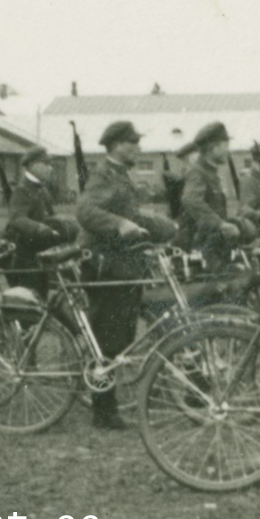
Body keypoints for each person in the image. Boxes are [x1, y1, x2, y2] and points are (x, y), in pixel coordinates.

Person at [75, 121, 178, 429]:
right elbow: (85, 211)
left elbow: (131, 214)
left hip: (122, 267)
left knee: (119, 339)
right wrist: (119, 224)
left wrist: (163, 226)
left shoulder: (119, 175)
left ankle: (106, 406)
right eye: (133, 143)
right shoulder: (104, 175)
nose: (138, 148)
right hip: (105, 268)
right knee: (105, 342)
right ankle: (103, 411)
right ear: (117, 144)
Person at [0, 146, 70, 293]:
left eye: (50, 164)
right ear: (32, 165)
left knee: (43, 296)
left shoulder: (42, 189)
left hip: (39, 253)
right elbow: (16, 218)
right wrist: (40, 228)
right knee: (29, 299)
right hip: (22, 257)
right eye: (46, 164)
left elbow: (50, 216)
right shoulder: (22, 190)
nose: (50, 168)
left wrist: (62, 222)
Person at [177, 122, 244, 266]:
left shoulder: (211, 173)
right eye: (225, 146)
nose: (227, 150)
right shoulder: (198, 172)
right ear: (213, 148)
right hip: (201, 247)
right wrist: (221, 224)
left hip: (215, 244)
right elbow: (191, 200)